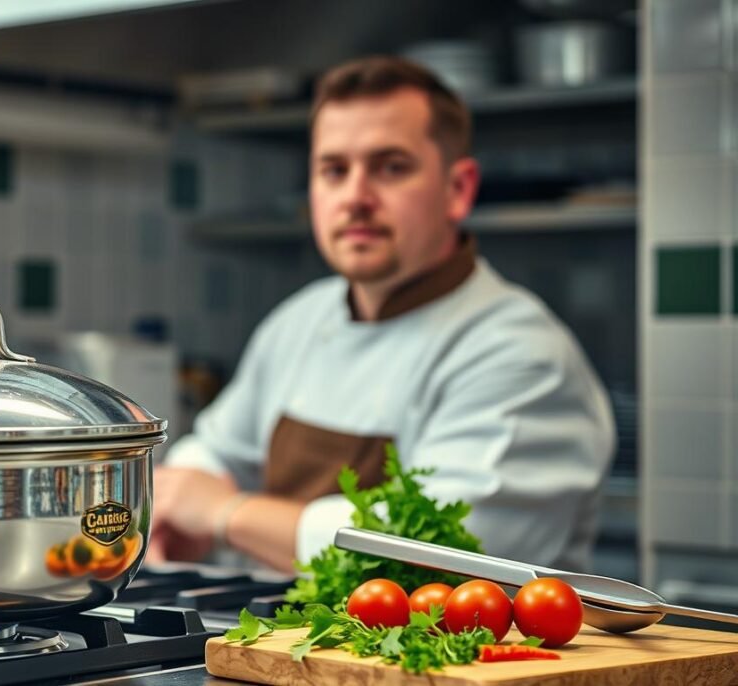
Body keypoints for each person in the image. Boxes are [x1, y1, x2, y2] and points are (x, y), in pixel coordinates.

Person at [148, 56, 615, 574]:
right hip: (275, 647)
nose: (355, 198)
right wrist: (177, 510)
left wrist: (227, 514)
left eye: (391, 167)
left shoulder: (521, 355)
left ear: (458, 189)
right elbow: (215, 452)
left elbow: (434, 554)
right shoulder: (300, 320)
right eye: (334, 170)